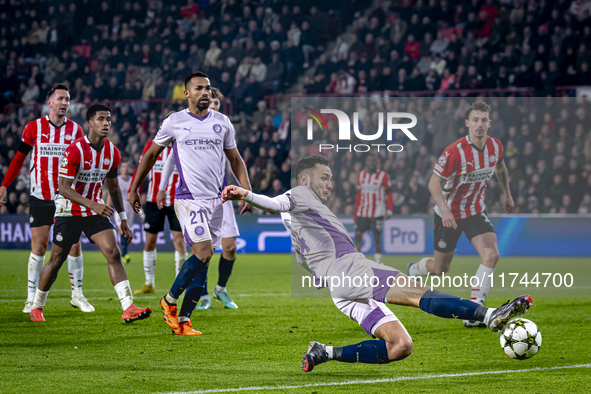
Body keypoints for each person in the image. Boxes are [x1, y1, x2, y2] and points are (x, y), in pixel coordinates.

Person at [222, 154, 532, 372]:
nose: (329, 184)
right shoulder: (301, 193)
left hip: (340, 290)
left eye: (330, 179)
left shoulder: (302, 221)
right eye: (324, 178)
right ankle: (488, 314)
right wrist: (246, 194)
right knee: (418, 292)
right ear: (305, 179)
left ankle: (324, 352)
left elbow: (306, 255)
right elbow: (276, 203)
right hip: (351, 271)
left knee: (400, 346)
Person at [128, 72, 251, 336]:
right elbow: (151, 154)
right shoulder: (175, 122)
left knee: (204, 263)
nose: (205, 92)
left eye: (207, 88)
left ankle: (184, 321)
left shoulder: (223, 122)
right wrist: (134, 189)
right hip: (188, 199)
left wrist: (247, 190)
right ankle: (169, 301)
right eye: (199, 88)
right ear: (187, 93)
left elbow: (235, 158)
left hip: (217, 201)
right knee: (203, 253)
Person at [29, 104, 152, 323]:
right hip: (69, 211)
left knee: (113, 252)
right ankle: (37, 306)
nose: (106, 123)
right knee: (56, 260)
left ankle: (128, 307)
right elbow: (64, 187)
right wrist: (93, 205)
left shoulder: (112, 152)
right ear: (90, 123)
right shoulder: (75, 150)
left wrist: (123, 218)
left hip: (95, 212)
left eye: (109, 119)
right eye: (101, 119)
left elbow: (114, 188)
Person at [407, 101, 514, 328]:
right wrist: (444, 210)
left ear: (489, 123)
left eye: (484, 120)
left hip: (475, 211)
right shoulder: (454, 151)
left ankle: (475, 311)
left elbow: (501, 168)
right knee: (440, 269)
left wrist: (507, 194)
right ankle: (414, 269)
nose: (479, 124)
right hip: (449, 214)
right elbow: (433, 183)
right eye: (475, 120)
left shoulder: (496, 147)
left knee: (491, 255)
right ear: (467, 123)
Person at [0, 83, 93, 314]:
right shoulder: (34, 127)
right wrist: (4, 185)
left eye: (67, 99)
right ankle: (31, 298)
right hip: (41, 196)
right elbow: (19, 159)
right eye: (60, 98)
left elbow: (83, 163)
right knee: (39, 246)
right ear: (49, 102)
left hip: (67, 196)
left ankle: (77, 295)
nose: (64, 103)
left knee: (74, 245)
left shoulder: (76, 130)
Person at [131, 127, 187, 294]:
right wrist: (136, 192)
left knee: (179, 241)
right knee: (149, 242)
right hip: (153, 200)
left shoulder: (184, 146)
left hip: (177, 201)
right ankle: (149, 283)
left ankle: (180, 283)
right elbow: (143, 168)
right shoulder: (152, 145)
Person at [354, 154, 393, 264]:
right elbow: (358, 195)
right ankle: (357, 261)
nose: (371, 163)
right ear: (366, 162)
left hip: (378, 212)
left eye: (374, 161)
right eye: (369, 160)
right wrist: (355, 214)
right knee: (358, 235)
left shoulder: (384, 176)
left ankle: (378, 262)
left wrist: (389, 210)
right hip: (362, 211)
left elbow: (389, 194)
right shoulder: (361, 175)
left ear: (377, 162)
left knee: (376, 236)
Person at [106, 157, 136, 264]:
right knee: (121, 230)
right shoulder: (117, 179)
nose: (125, 168)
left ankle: (124, 253)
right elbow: (111, 194)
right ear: (120, 169)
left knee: (127, 232)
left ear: (130, 169)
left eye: (127, 166)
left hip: (130, 209)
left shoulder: (133, 180)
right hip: (119, 208)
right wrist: (107, 206)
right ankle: (123, 254)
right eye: (123, 166)